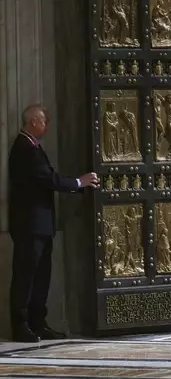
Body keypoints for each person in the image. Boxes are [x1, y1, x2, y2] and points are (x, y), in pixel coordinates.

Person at [8, 104, 99, 342]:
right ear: (34, 122)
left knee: (41, 278)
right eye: (44, 120)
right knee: (26, 278)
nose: (47, 124)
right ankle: (21, 326)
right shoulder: (24, 148)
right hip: (30, 226)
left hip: (40, 225)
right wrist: (79, 182)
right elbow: (48, 179)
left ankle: (38, 323)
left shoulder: (32, 146)